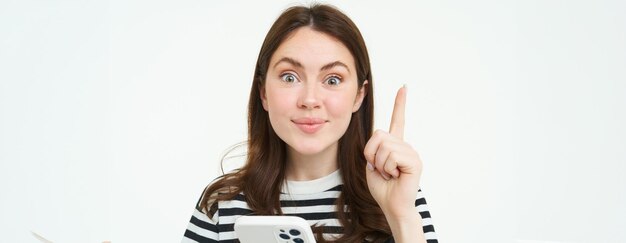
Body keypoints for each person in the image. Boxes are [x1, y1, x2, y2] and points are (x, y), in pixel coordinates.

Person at [183, 4, 438, 243]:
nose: (310, 100)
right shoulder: (221, 205)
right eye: (290, 77)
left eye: (333, 80)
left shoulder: (397, 194)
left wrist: (402, 217)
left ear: (359, 95)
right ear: (263, 93)